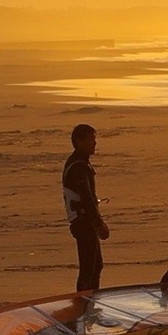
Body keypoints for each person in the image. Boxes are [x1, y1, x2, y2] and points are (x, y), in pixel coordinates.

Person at [62, 123, 109, 291]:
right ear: (79, 141)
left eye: (94, 139)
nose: (94, 143)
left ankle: (89, 303)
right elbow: (86, 197)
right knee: (89, 269)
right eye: (91, 140)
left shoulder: (79, 162)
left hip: (83, 221)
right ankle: (85, 306)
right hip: (83, 222)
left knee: (95, 266)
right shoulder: (78, 167)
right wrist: (99, 224)